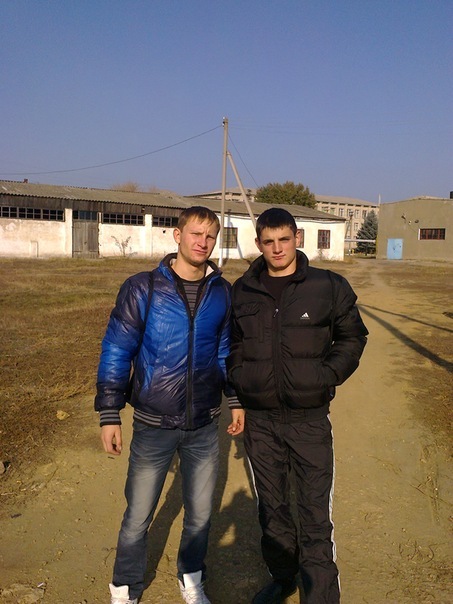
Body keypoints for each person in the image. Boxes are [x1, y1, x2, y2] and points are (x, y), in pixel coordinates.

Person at [95, 206, 244, 604]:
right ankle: (125, 587)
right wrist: (110, 413)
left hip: (204, 425)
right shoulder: (142, 288)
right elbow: (117, 349)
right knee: (138, 515)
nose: (203, 242)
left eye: (210, 236)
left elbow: (225, 351)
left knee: (200, 514)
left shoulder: (222, 292)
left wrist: (234, 398)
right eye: (196, 233)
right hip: (153, 423)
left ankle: (191, 578)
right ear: (177, 236)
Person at [227, 208, 368, 604]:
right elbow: (233, 342)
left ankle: (319, 594)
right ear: (259, 244)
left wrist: (327, 375)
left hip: (309, 420)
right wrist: (240, 376)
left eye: (284, 240)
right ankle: (283, 577)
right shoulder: (243, 290)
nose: (277, 249)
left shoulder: (328, 285)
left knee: (314, 512)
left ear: (297, 238)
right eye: (269, 242)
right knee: (272, 508)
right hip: (262, 421)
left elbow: (353, 336)